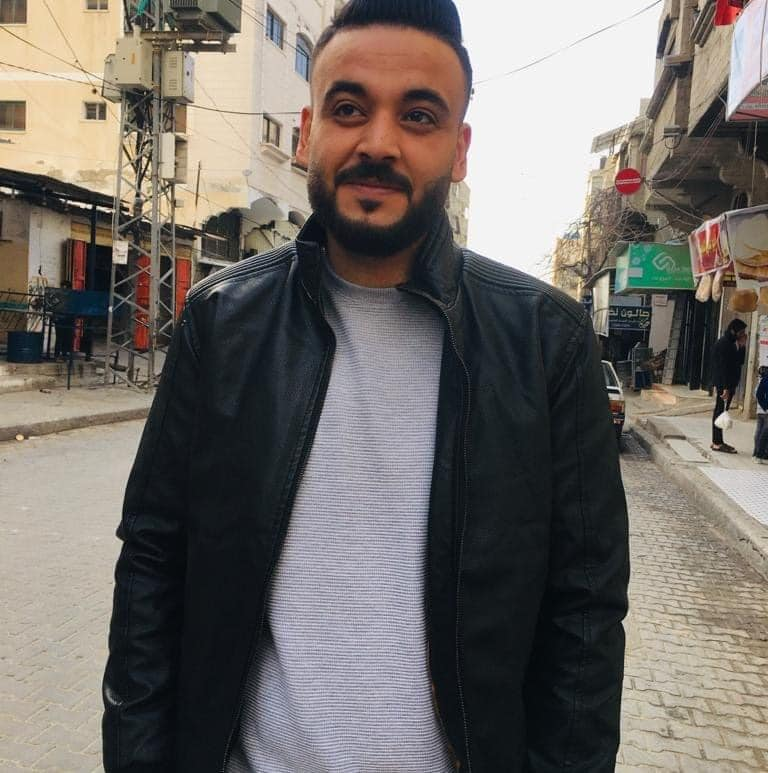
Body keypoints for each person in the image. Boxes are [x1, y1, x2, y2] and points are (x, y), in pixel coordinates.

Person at [102, 2, 629, 771]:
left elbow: (585, 612)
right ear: (309, 129)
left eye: (419, 116)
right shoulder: (222, 321)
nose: (378, 143)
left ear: (459, 150)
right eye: (349, 108)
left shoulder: (549, 341)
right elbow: (152, 565)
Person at [710, 318, 748, 453]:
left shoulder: (733, 343)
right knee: (720, 411)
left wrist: (742, 346)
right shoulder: (724, 344)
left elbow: (739, 362)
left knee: (722, 411)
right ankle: (717, 442)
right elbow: (722, 367)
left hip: (730, 383)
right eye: (741, 332)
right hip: (724, 384)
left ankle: (718, 441)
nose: (743, 335)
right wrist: (725, 387)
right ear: (733, 331)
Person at [53, 280, 74, 362]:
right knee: (60, 338)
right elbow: (54, 306)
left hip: (66, 319)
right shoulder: (59, 295)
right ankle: (58, 355)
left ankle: (63, 355)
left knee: (66, 338)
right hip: (61, 319)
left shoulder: (70, 296)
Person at [754, 366, 768, 464]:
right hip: (764, 411)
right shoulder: (765, 379)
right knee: (765, 432)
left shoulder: (764, 379)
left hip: (762, 410)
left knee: (761, 431)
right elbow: (759, 394)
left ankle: (757, 453)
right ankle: (759, 454)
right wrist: (765, 407)